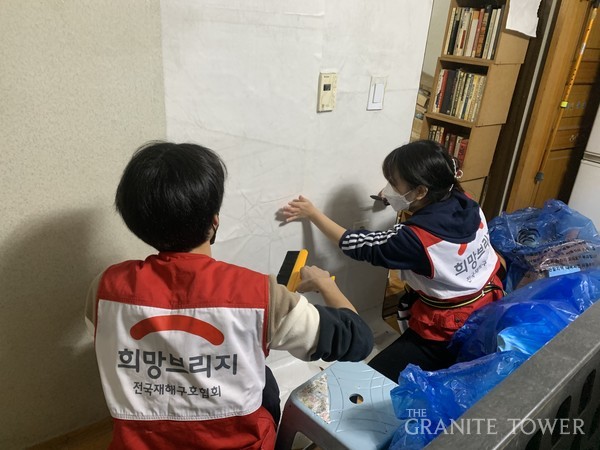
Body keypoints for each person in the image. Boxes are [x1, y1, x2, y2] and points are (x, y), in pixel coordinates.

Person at [85, 141, 373, 450]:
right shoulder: (260, 294)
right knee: (265, 382)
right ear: (214, 221)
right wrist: (325, 284)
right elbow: (359, 339)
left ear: (137, 224)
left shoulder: (105, 288)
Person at [282, 139, 504, 382]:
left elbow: (354, 243)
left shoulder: (415, 240)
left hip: (449, 328)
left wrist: (312, 213)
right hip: (490, 302)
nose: (388, 189)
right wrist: (399, 196)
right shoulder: (465, 201)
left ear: (421, 192)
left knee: (369, 382)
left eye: (394, 184)